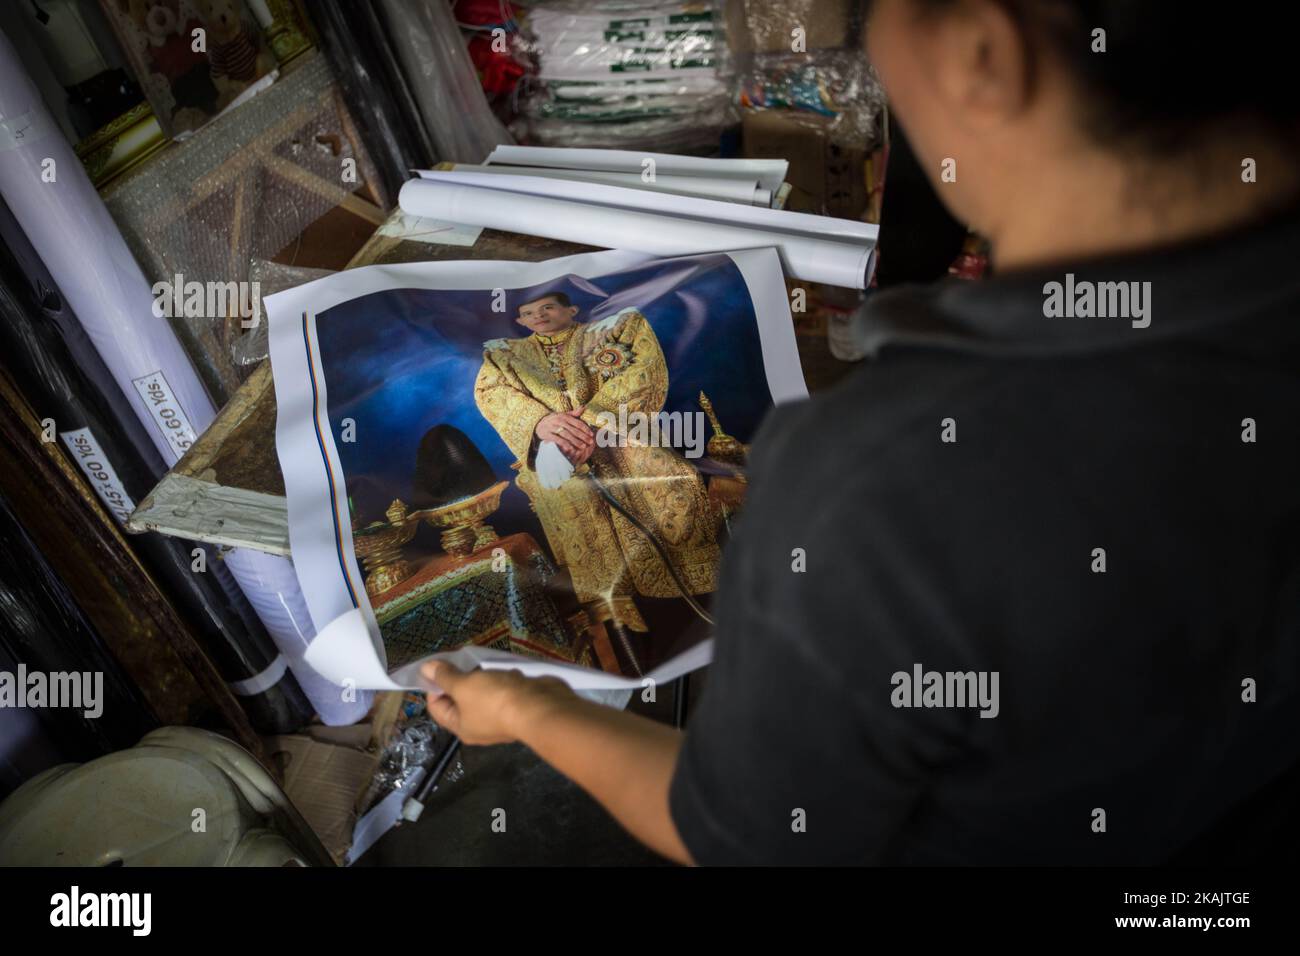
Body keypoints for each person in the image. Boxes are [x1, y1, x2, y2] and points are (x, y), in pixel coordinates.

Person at [427, 0, 1300, 864]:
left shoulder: (880, 481)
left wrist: (530, 711)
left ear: (982, 50)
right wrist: (546, 419)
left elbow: (748, 839)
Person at [474, 291, 718, 671]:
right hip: (559, 464)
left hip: (625, 442)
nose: (538, 316)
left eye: (547, 308)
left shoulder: (618, 328)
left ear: (571, 309)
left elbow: (642, 372)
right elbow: (492, 394)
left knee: (672, 504)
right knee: (597, 571)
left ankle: (707, 630)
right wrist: (542, 426)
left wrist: (590, 423)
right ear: (520, 321)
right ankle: (634, 663)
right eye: (528, 312)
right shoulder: (503, 355)